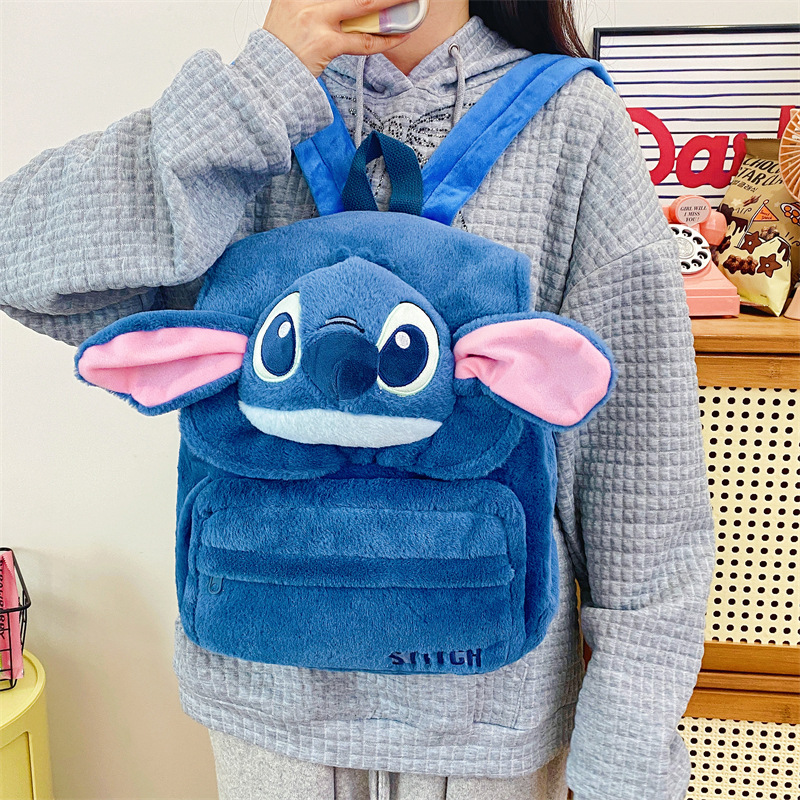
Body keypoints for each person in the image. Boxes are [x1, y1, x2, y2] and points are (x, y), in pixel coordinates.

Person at [0, 1, 714, 798]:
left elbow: (642, 477)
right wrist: (259, 90)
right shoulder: (257, 108)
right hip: (269, 711)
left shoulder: (571, 122)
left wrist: (626, 761)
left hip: (487, 725)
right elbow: (17, 260)